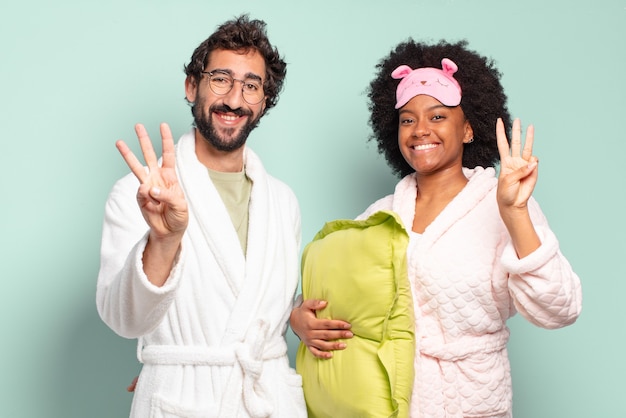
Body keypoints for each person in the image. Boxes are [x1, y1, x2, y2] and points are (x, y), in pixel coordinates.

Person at [290, 39, 582, 417]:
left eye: (438, 116)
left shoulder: (504, 202)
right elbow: (336, 293)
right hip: (398, 399)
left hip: (474, 400)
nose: (419, 130)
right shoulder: (382, 215)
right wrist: (299, 318)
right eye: (408, 119)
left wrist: (515, 213)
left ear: (468, 130)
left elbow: (560, 309)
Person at [96, 15, 306, 417]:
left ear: (264, 100)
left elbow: (257, 312)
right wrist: (164, 239)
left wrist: (299, 316)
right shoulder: (137, 194)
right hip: (183, 401)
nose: (234, 99)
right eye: (221, 79)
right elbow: (124, 319)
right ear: (192, 85)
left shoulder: (283, 201)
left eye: (251, 85)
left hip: (269, 399)